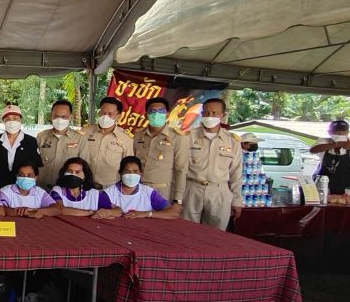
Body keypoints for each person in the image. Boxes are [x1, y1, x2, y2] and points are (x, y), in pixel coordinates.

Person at [181, 98, 244, 230]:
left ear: (222, 115)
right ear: (201, 114)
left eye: (214, 113)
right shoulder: (187, 137)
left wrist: (237, 200)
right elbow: (179, 168)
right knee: (186, 230)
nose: (210, 116)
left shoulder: (232, 141)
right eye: (206, 113)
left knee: (216, 234)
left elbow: (236, 174)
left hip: (219, 191)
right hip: (192, 188)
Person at [133, 97, 189, 203]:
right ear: (146, 115)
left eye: (161, 111)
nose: (156, 114)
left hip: (163, 190)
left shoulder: (177, 138)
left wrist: (178, 198)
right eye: (152, 111)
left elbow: (181, 170)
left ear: (167, 115)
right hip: (138, 188)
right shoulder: (138, 136)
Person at [101, 156, 181, 219]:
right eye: (127, 172)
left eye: (135, 172)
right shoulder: (108, 193)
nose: (131, 175)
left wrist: (146, 214)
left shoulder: (149, 193)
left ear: (141, 173)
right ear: (120, 173)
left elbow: (173, 213)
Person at [79, 97, 134, 189]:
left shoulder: (126, 138)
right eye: (103, 113)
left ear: (118, 116)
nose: (105, 116)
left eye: (110, 114)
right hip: (84, 186)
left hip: (111, 189)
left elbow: (128, 166)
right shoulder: (85, 132)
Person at [0, 105, 42, 188]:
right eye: (8, 119)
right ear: (3, 121)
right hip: (1, 186)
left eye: (15, 118)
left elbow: (36, 169)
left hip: (23, 188)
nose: (12, 122)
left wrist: (32, 189)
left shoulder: (30, 141)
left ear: (21, 120)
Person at [36, 100, 84, 190]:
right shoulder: (41, 136)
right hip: (43, 188)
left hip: (67, 189)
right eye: (56, 116)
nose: (59, 120)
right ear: (51, 116)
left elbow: (84, 166)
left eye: (64, 117)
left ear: (70, 117)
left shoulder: (80, 138)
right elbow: (34, 162)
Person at [49, 157, 114, 218]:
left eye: (77, 172)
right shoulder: (57, 190)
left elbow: (117, 210)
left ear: (84, 177)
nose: (73, 174)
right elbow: (60, 210)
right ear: (64, 173)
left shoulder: (94, 194)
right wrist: (91, 212)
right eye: (69, 171)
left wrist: (109, 212)